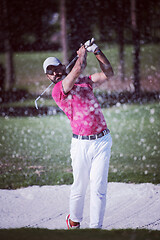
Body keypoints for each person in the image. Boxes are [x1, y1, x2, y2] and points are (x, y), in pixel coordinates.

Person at [43, 39, 114, 229]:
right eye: (51, 71)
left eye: (57, 68)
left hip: (102, 141)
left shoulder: (84, 82)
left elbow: (109, 73)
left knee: (99, 189)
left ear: (62, 66)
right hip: (81, 144)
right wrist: (82, 53)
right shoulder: (58, 90)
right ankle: (74, 221)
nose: (55, 72)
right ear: (48, 77)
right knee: (79, 187)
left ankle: (95, 229)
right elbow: (76, 70)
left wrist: (96, 51)